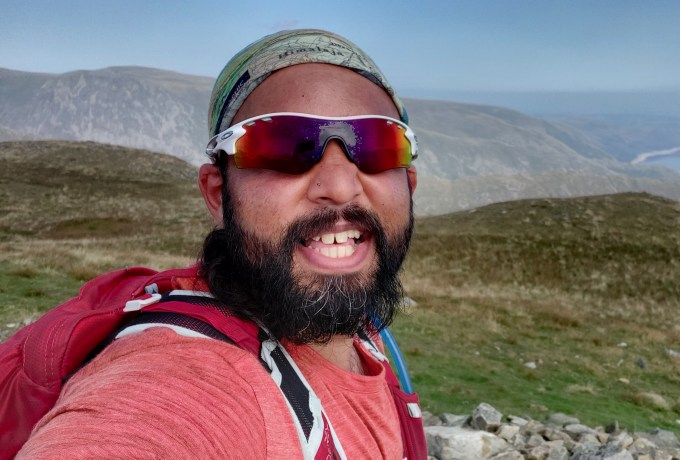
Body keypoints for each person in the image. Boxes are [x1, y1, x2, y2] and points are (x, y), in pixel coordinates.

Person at [17, 29, 423, 459]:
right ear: (217, 194)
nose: (340, 187)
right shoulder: (182, 375)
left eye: (378, 145)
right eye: (283, 145)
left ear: (409, 184)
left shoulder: (362, 327)